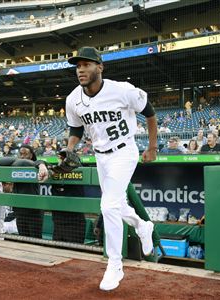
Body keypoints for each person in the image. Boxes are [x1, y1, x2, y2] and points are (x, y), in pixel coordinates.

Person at [65, 46, 157, 291]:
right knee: (117, 206)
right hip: (100, 156)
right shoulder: (73, 99)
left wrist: (153, 147)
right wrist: (70, 148)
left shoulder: (122, 90)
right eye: (78, 66)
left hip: (124, 151)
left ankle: (115, 263)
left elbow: (149, 112)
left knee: (107, 205)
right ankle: (142, 225)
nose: (81, 70)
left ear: (100, 67)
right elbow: (76, 129)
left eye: (86, 64)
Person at [0, 144, 49, 238]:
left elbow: (41, 162)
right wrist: (20, 160)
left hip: (34, 209)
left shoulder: (35, 165)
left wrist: (41, 165)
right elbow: (1, 161)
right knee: (23, 238)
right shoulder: (17, 163)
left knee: (35, 240)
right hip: (19, 208)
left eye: (25, 154)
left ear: (31, 155)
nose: (22, 156)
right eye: (20, 154)